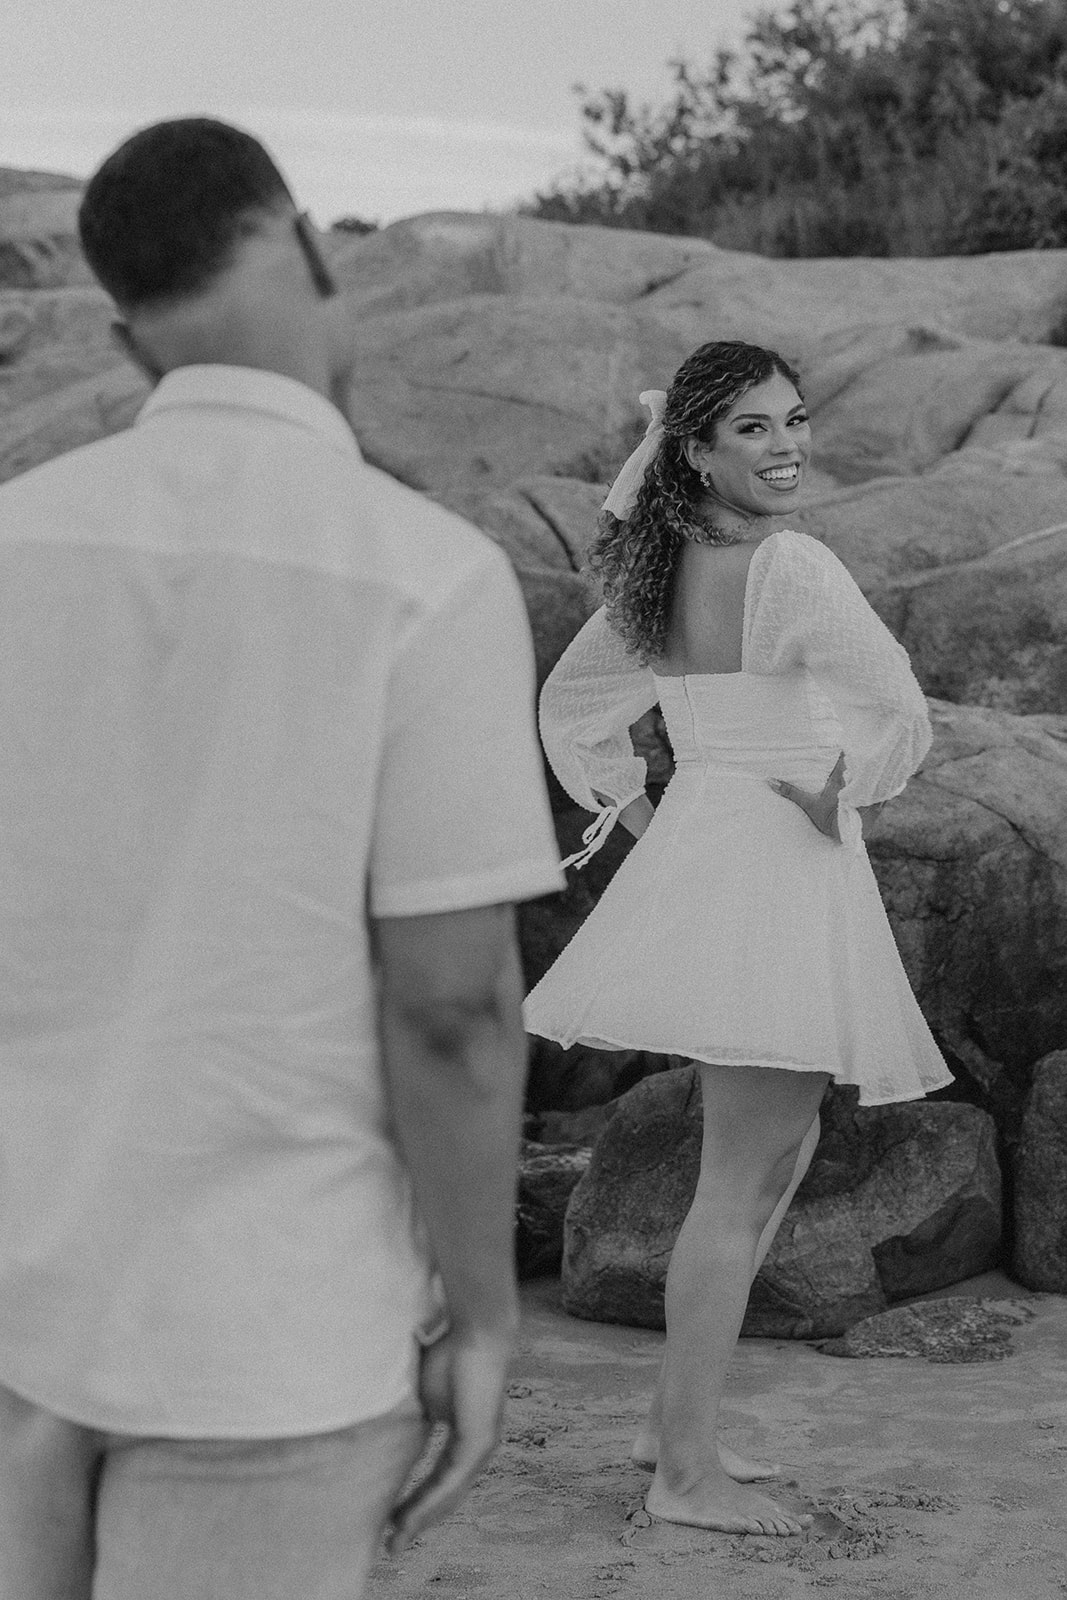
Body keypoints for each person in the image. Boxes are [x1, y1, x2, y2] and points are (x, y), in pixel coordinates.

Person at [0, 117, 564, 1600]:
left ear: (130, 345)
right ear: (311, 245)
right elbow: (449, 1006)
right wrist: (486, 1320)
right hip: (267, 1336)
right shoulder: (425, 577)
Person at [523, 340, 952, 1537]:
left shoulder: (665, 569)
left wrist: (652, 808)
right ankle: (682, 1468)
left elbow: (573, 707)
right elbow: (898, 707)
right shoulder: (790, 564)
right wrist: (840, 786)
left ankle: (680, 1431)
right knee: (739, 1172)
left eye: (794, 420)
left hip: (719, 843)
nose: (785, 446)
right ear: (694, 453)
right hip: (770, 856)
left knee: (776, 1148)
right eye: (752, 429)